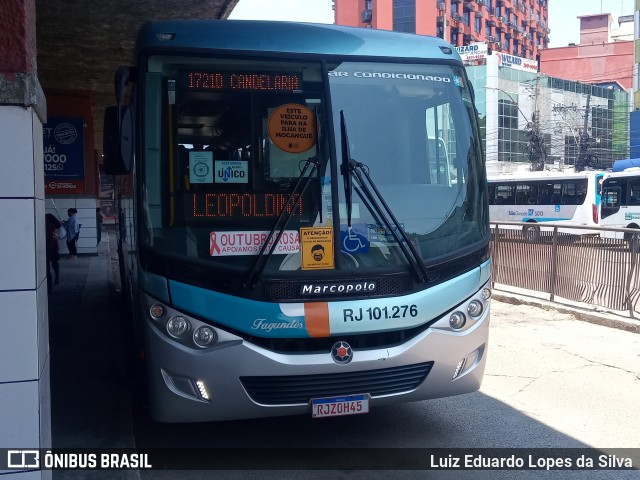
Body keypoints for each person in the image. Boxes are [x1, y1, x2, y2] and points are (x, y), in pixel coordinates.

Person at [45, 213, 61, 292]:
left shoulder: (48, 216)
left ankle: (57, 277)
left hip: (51, 244)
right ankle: (49, 287)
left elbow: (58, 224)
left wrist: (51, 228)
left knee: (54, 261)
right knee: (46, 267)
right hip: (44, 246)